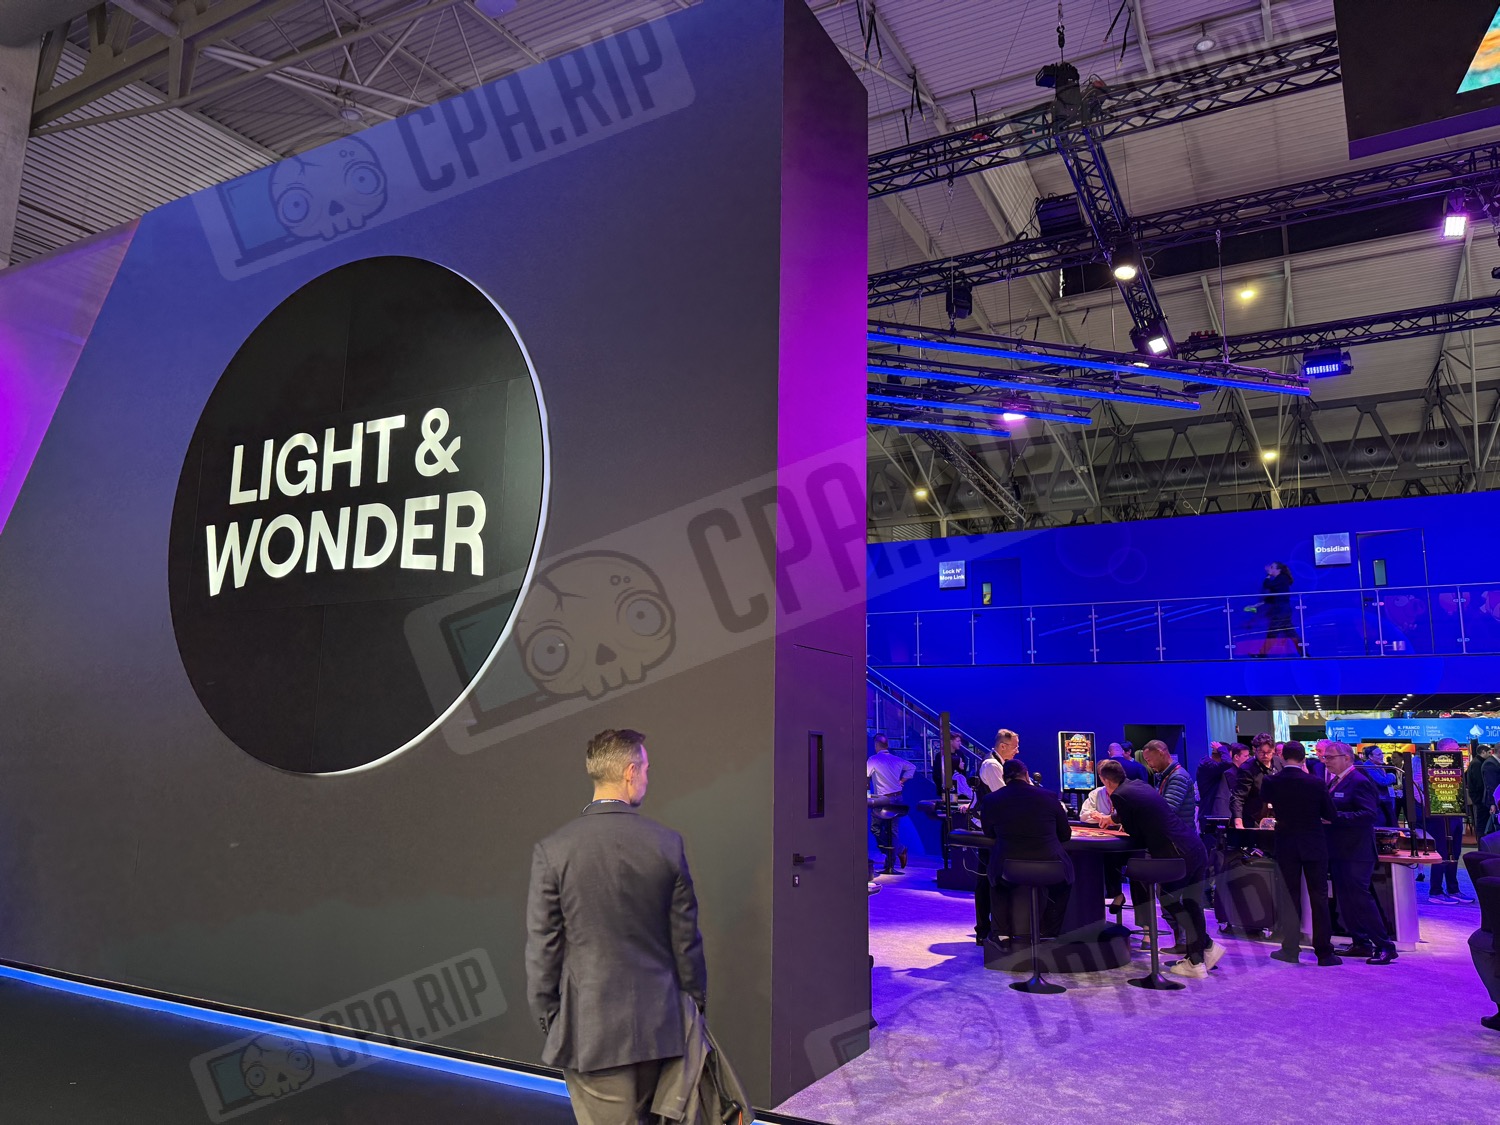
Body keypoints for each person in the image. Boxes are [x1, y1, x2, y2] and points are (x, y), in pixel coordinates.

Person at [526, 729, 707, 1125]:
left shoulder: (554, 851)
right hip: (662, 1026)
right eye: (646, 769)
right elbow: (686, 941)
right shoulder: (667, 844)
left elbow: (543, 948)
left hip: (590, 1032)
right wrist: (693, 1007)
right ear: (630, 772)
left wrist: (550, 1019)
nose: (647, 778)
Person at [1099, 759, 1224, 979]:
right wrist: (1112, 818)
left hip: (1176, 853)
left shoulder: (1119, 795)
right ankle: (1201, 953)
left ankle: (1199, 957)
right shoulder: (1139, 785)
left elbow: (1135, 833)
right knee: (1191, 903)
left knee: (1169, 900)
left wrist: (1117, 824)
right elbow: (1145, 811)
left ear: (1105, 780)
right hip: (1194, 846)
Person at [1259, 742, 1341, 966]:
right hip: (1314, 843)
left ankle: (1290, 949)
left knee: (1289, 897)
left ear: (1282, 757)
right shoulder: (1315, 782)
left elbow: (1265, 804)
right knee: (1319, 897)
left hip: (1286, 843)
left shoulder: (1271, 781)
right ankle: (1324, 952)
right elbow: (1331, 814)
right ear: (1304, 758)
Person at [1320, 740, 1398, 965]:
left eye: (1330, 757)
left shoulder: (1359, 781)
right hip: (1339, 851)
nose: (1325, 761)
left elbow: (1368, 815)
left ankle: (1385, 946)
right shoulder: (1335, 781)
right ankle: (1360, 942)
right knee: (1346, 900)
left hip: (1357, 852)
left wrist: (1335, 818)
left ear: (1347, 758)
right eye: (1324, 757)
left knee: (1361, 899)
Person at [980, 759, 1074, 940]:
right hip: (1051, 868)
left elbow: (989, 832)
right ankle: (1048, 933)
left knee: (996, 883)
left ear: (1004, 778)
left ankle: (1002, 935)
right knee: (1064, 884)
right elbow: (1065, 835)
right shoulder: (1049, 796)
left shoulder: (991, 800)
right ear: (1026, 774)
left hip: (1009, 868)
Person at [973, 729, 1022, 942]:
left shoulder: (1000, 764)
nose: (1018, 750)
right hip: (988, 830)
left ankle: (991, 928)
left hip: (995, 828)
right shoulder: (992, 765)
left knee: (990, 878)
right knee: (987, 879)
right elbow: (1005, 797)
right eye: (1015, 746)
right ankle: (984, 930)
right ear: (1003, 746)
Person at [1418, 739, 1473, 905]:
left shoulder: (1456, 766)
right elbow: (1417, 790)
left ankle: (1453, 889)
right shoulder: (1427, 764)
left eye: (1457, 749)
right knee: (1441, 852)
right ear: (1442, 750)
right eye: (1454, 749)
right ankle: (1436, 891)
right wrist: (1430, 804)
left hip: (1455, 812)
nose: (1458, 752)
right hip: (1438, 815)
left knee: (1454, 852)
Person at [867, 735, 914, 875]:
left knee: (875, 828)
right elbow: (912, 767)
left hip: (884, 801)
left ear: (876, 745)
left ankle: (899, 850)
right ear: (887, 745)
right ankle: (891, 863)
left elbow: (865, 775)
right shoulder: (896, 759)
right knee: (893, 832)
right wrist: (902, 781)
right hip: (898, 799)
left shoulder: (873, 760)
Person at [1245, 560, 1298, 656]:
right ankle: (1305, 653)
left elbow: (1267, 584)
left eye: (1272, 567)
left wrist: (1268, 575)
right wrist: (1255, 605)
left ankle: (1262, 655)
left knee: (1273, 633)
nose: (1270, 569)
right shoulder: (1279, 581)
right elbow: (1271, 598)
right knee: (1291, 634)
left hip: (1281, 611)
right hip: (1282, 611)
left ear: (1278, 570)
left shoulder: (1282, 578)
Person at [1232, 734, 1279, 828]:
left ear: (1273, 750)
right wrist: (1238, 823)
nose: (1265, 755)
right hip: (1254, 819)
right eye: (1261, 752)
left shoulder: (1279, 763)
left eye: (1269, 752)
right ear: (1254, 749)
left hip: (1276, 817)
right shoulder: (1247, 768)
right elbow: (1238, 797)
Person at [1144, 739, 1195, 824]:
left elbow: (1167, 809)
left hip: (1179, 831)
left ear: (1160, 753)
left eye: (1149, 760)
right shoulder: (1166, 775)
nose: (1149, 765)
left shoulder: (1178, 776)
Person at [1359, 746, 1398, 828]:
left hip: (1385, 802)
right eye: (1379, 754)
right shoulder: (1368, 767)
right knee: (1381, 827)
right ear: (1370, 756)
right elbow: (1383, 782)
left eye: (1382, 754)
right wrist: (1392, 775)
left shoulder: (1379, 766)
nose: (1382, 756)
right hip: (1379, 804)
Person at [1195, 747, 1231, 827]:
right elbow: (1227, 763)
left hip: (1213, 814)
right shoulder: (1207, 766)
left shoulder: (1212, 768)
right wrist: (1221, 748)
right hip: (1211, 815)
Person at [978, 729, 1021, 796]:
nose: (1017, 751)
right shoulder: (992, 764)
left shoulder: (1001, 763)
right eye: (1014, 747)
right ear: (1002, 746)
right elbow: (1003, 796)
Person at [1468, 747, 1492, 842]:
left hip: (1479, 798)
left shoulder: (1477, 762)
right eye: (1489, 752)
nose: (1490, 755)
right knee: (1481, 824)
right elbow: (1480, 783)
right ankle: (1482, 844)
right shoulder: (1477, 763)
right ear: (1483, 752)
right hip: (1479, 798)